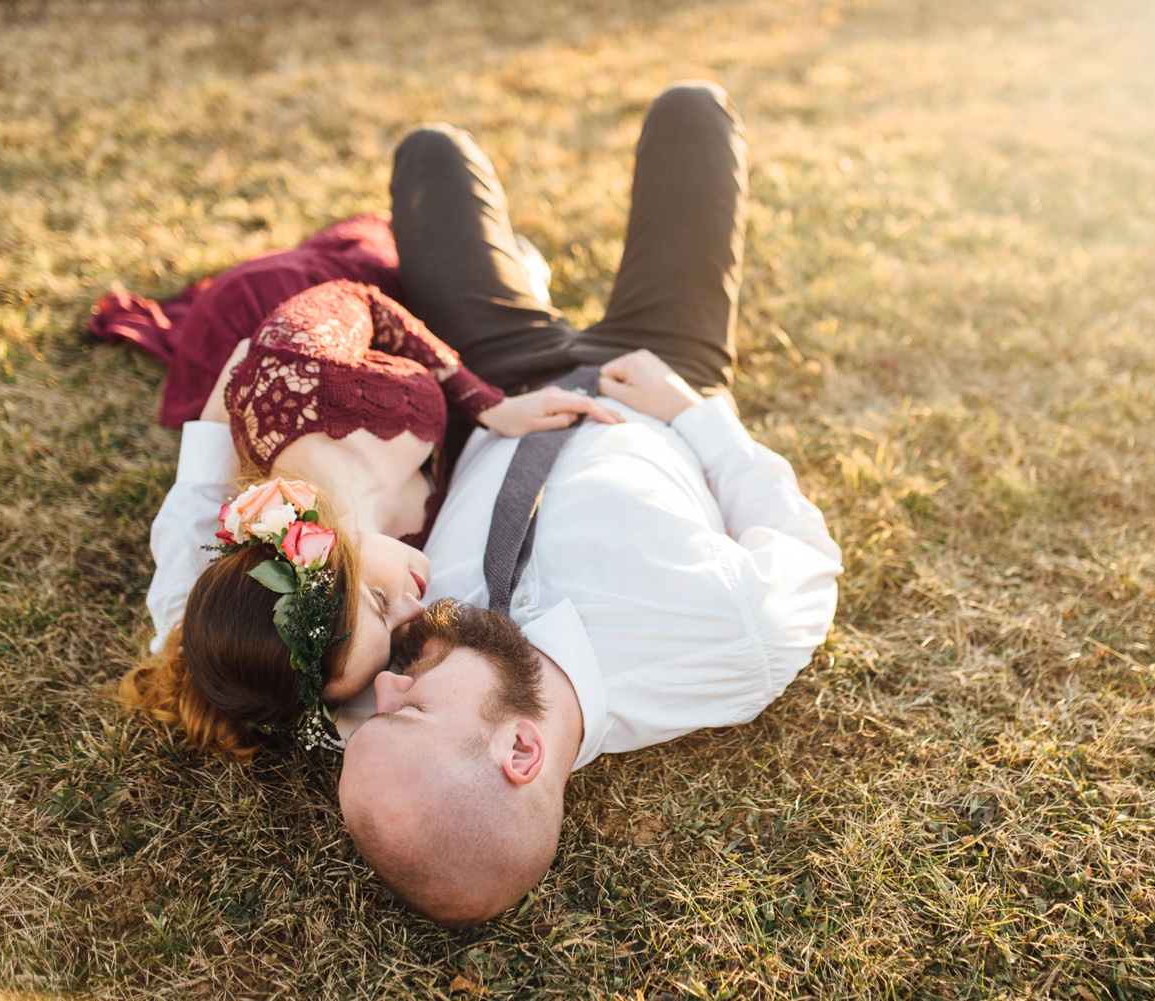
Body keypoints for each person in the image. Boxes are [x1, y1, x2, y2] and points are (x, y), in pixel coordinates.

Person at [334, 81, 843, 925]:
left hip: (497, 376)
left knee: (431, 153)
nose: (382, 691)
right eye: (408, 709)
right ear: (522, 749)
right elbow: (799, 540)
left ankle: (523, 273)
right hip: (658, 370)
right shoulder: (732, 638)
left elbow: (194, 618)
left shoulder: (411, 665)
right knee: (692, 112)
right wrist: (692, 410)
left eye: (371, 717)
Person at [123, 278, 622, 759]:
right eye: (392, 634)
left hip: (376, 316)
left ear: (317, 542)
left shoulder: (289, 377)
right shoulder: (289, 662)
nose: (414, 609)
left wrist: (488, 405)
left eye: (381, 602)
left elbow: (361, 301)